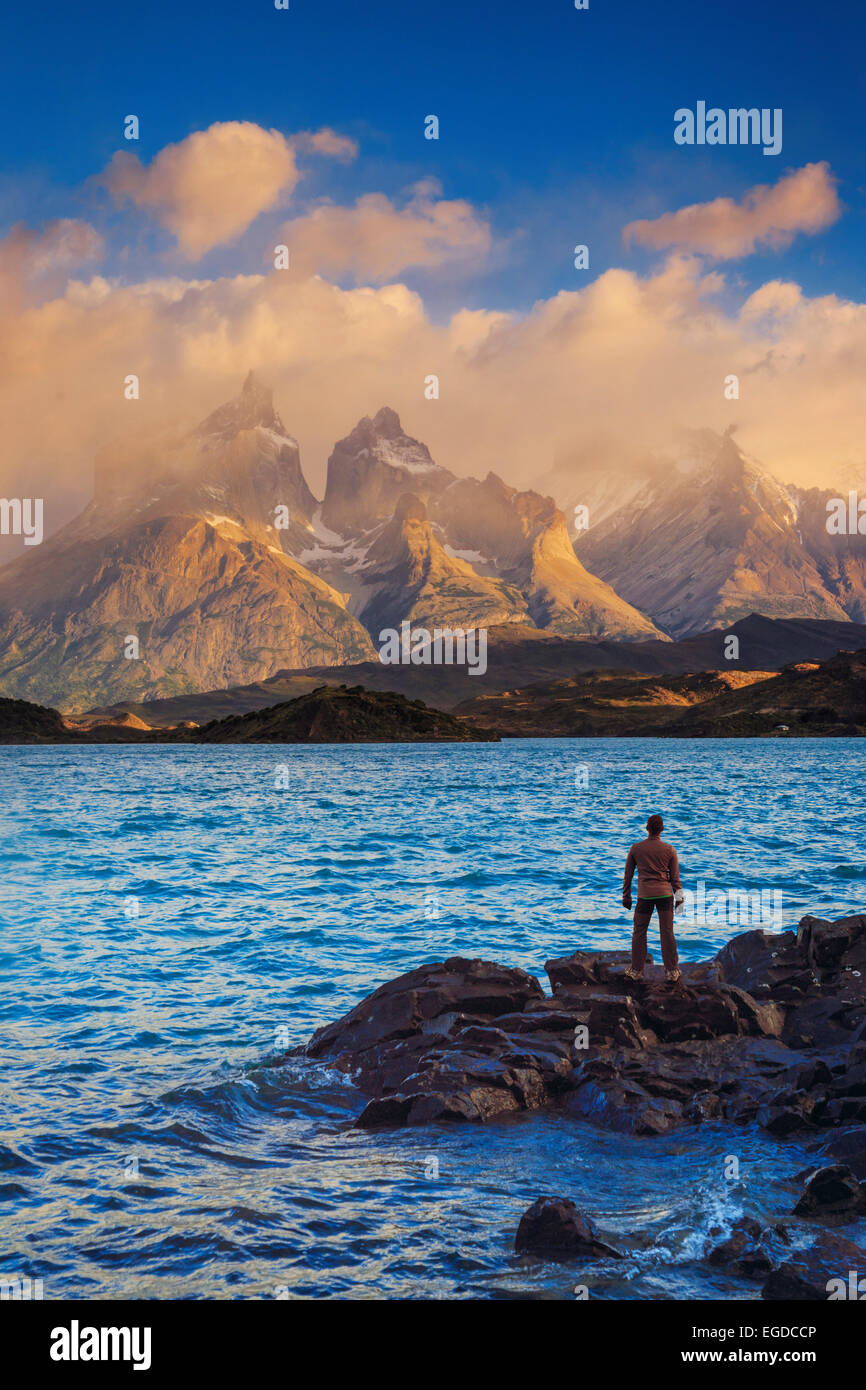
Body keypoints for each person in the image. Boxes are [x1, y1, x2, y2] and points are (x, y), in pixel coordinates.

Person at [622, 813, 683, 983]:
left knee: (639, 932)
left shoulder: (636, 848)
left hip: (645, 896)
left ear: (647, 828)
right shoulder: (670, 850)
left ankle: (636, 970)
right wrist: (680, 899)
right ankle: (672, 971)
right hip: (665, 895)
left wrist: (626, 895)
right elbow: (675, 879)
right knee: (667, 932)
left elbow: (628, 875)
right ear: (662, 829)